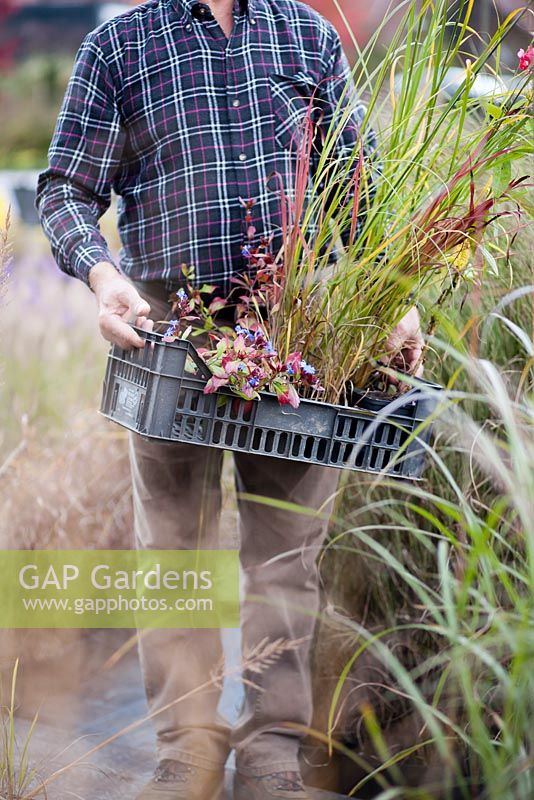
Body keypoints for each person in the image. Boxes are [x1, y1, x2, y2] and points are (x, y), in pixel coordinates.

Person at [37, 1, 424, 798]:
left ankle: (275, 751)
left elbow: (359, 193)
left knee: (287, 560)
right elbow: (66, 189)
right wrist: (103, 278)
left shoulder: (307, 35)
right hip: (167, 345)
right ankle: (188, 745)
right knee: (174, 556)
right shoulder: (123, 42)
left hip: (295, 342)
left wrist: (394, 301)